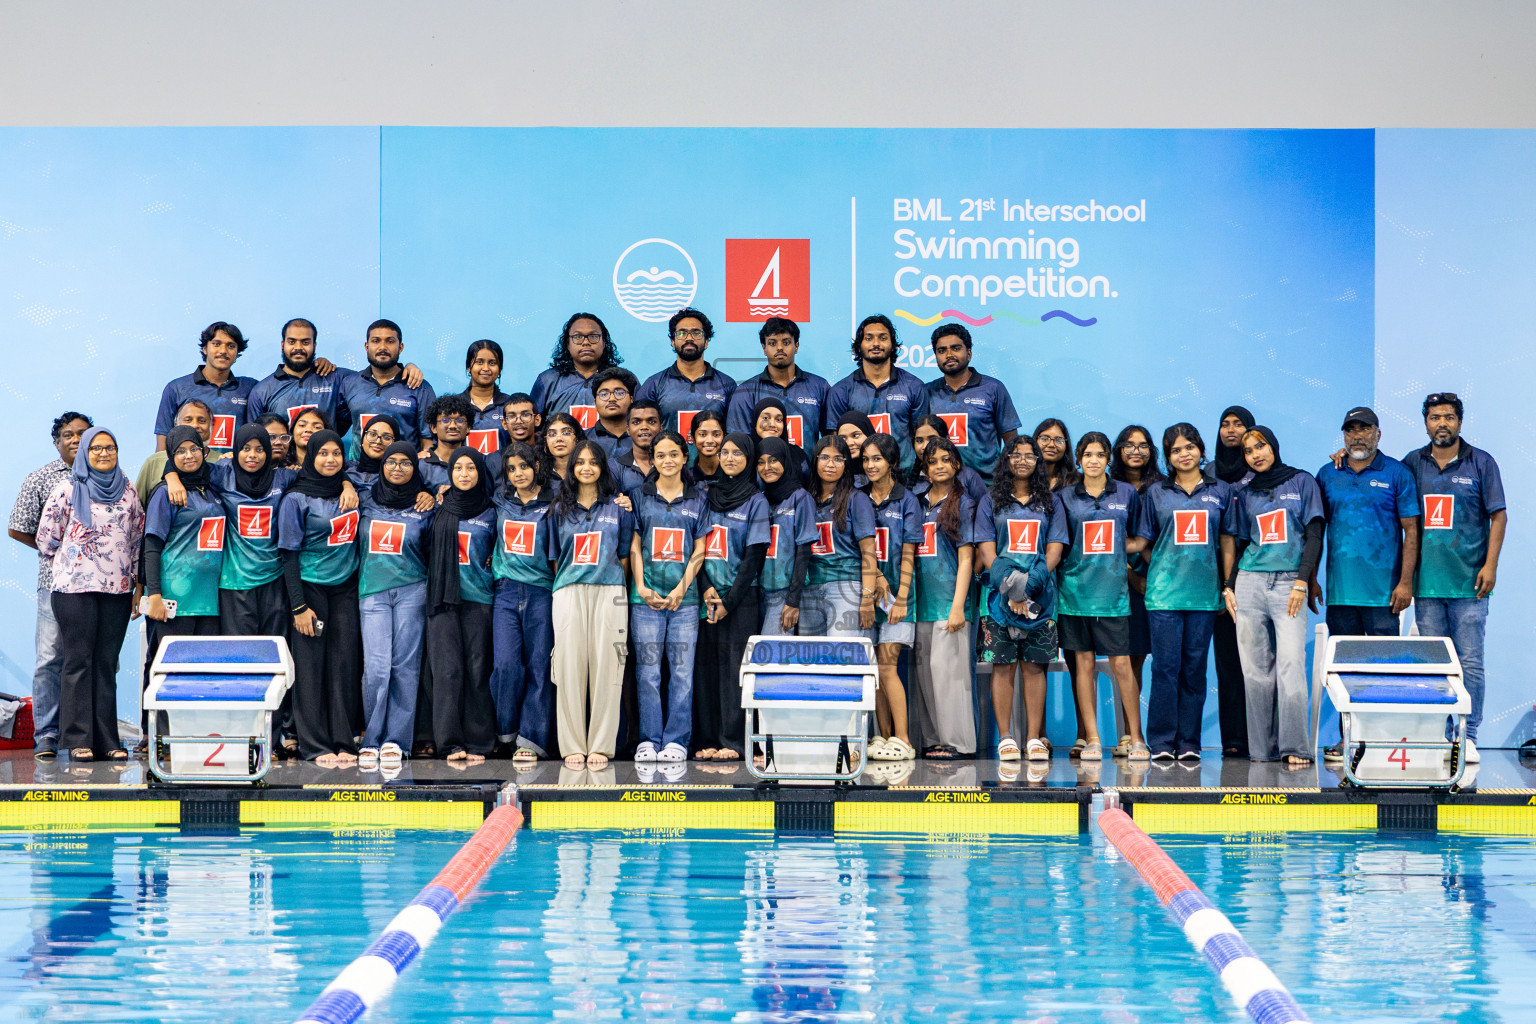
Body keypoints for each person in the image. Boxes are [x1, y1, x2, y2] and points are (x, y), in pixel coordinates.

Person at [1401, 392, 1506, 762]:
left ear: (1459, 421)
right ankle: (1438, 733)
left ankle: (1468, 736)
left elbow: (1499, 516)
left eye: (1448, 417)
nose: (1441, 423)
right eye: (1434, 417)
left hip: (1469, 585)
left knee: (1470, 662)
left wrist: (1490, 566)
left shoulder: (1481, 463)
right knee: (1435, 664)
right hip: (1426, 586)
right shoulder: (1412, 463)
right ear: (1425, 422)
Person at [1315, 406, 1420, 762]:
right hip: (1340, 594)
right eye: (1351, 430)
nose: (1357, 436)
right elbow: (1316, 530)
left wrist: (1405, 583)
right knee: (1345, 673)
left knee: (1381, 670)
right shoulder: (1328, 474)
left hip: (1383, 595)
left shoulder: (1398, 473)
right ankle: (1349, 740)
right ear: (1343, 436)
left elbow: (1411, 531)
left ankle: (1381, 740)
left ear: (1378, 433)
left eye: (1365, 429)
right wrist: (1311, 578)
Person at [36, 427, 144, 762]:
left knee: (105, 664)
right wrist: (74, 565)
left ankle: (108, 740)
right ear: (85, 452)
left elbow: (137, 537)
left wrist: (136, 582)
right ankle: (78, 739)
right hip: (74, 590)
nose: (103, 453)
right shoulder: (67, 489)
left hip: (116, 591)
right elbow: (46, 540)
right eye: (95, 448)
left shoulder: (127, 490)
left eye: (110, 447)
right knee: (78, 661)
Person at [1220, 426, 1325, 766]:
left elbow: (1314, 534)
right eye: (1249, 451)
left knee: (1291, 664)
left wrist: (1301, 581)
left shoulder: (1301, 481)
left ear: (1273, 446)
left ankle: (1295, 747)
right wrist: (1229, 585)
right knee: (1254, 671)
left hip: (1287, 585)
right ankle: (1262, 751)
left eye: (1261, 446)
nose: (1256, 454)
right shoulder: (1244, 491)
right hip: (1250, 582)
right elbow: (1242, 543)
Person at [1056, 431, 1152, 761]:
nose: (1094, 460)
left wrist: (1114, 550)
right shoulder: (1065, 498)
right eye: (1087, 455)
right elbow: (1059, 542)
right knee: (1082, 666)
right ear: (1079, 460)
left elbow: (1140, 538)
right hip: (1074, 594)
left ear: (1109, 458)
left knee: (1123, 666)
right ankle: (1093, 739)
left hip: (1114, 596)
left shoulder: (1126, 493)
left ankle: (1136, 738)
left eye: (1100, 454)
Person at [1141, 424, 1233, 761]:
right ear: (1168, 457)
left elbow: (1226, 540)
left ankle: (1190, 742)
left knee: (1194, 669)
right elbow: (1146, 542)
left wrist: (1225, 585)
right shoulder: (1156, 493)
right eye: (1176, 450)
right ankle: (1162, 743)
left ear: (1200, 450)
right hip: (1164, 597)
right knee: (1165, 668)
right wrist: (1164, 568)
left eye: (1190, 447)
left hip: (1204, 597)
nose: (1184, 454)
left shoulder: (1220, 491)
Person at [975, 435, 1068, 762]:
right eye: (1016, 455)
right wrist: (1012, 590)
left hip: (1041, 602)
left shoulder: (1052, 502)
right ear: (1006, 460)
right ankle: (1005, 738)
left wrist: (1027, 588)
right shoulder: (990, 501)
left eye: (1030, 456)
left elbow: (1054, 550)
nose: (1024, 460)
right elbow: (987, 550)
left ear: (1038, 462)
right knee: (1002, 668)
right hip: (1001, 603)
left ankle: (1033, 739)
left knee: (1034, 669)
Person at [8, 411, 92, 759]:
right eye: (68, 435)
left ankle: (86, 736)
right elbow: (17, 526)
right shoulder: (41, 479)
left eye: (82, 434)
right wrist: (56, 553)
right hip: (54, 584)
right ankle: (46, 734)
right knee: (50, 659)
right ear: (57, 442)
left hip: (98, 587)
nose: (76, 440)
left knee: (93, 659)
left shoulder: (111, 478)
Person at [277, 430, 362, 765]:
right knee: (311, 669)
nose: (330, 459)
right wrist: (298, 606)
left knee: (343, 666)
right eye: (322, 453)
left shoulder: (350, 490)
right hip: (310, 589)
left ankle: (344, 739)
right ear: (310, 456)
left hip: (345, 588)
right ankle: (314, 744)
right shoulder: (296, 499)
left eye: (336, 453)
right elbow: (288, 555)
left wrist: (347, 484)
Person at [547, 440, 634, 768]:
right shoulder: (558, 509)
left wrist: (607, 580)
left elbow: (624, 554)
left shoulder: (619, 508)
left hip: (610, 590)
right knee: (568, 667)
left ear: (602, 467)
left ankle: (600, 744)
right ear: (571, 468)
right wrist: (575, 580)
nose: (586, 467)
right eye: (579, 462)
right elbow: (555, 557)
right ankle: (571, 745)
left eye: (593, 462)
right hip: (568, 590)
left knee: (607, 667)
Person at [627, 430, 708, 762]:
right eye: (660, 455)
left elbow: (701, 548)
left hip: (685, 603)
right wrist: (642, 587)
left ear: (684, 457)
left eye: (673, 454)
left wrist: (680, 589)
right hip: (644, 601)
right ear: (653, 459)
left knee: (682, 672)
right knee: (647, 672)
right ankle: (649, 738)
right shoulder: (637, 496)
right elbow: (633, 545)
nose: (667, 460)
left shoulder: (698, 499)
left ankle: (676, 740)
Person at [357, 441, 434, 770]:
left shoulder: (425, 506)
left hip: (412, 590)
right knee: (376, 668)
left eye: (406, 463)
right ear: (382, 465)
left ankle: (396, 740)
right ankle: (372, 738)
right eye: (391, 462)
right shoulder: (363, 500)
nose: (398, 468)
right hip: (372, 591)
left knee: (405, 668)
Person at [694, 433, 770, 761]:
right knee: (707, 670)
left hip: (741, 599)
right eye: (725, 452)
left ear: (749, 458)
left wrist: (729, 601)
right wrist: (706, 588)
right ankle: (708, 738)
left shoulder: (757, 500)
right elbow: (692, 545)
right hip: (706, 595)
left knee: (736, 671)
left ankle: (734, 742)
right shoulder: (704, 495)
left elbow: (754, 557)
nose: (729, 458)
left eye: (737, 453)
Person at [142, 426, 225, 703]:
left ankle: (191, 734)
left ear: (205, 451)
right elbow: (151, 546)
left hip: (210, 601)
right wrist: (154, 595)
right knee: (165, 668)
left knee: (200, 672)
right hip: (174, 598)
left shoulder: (214, 487)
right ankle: (153, 733)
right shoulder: (165, 493)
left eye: (194, 449)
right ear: (171, 457)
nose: (189, 456)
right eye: (180, 452)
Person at [426, 446, 498, 764]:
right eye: (458, 469)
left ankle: (480, 741)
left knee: (477, 671)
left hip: (479, 599)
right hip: (442, 601)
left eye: (471, 468)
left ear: (480, 472)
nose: (464, 474)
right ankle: (450, 743)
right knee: (446, 673)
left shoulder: (492, 511)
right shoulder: (437, 506)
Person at [908, 437, 978, 760]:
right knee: (924, 676)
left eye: (945, 460)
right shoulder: (915, 502)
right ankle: (933, 741)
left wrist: (958, 606)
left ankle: (959, 743)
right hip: (919, 603)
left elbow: (967, 559)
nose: (938, 466)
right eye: (932, 461)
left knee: (949, 674)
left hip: (949, 603)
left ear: (957, 465)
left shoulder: (964, 502)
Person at [490, 441, 557, 763]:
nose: (518, 473)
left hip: (542, 592)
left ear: (537, 467)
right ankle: (506, 733)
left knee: (539, 668)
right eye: (511, 468)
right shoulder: (501, 501)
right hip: (505, 592)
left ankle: (530, 739)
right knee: (505, 665)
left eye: (524, 466)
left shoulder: (555, 503)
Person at [861, 434, 921, 761]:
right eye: (866, 459)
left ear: (891, 462)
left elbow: (910, 553)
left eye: (877, 459)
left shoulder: (906, 500)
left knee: (887, 667)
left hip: (899, 599)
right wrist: (877, 581)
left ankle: (903, 739)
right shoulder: (859, 498)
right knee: (872, 671)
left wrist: (901, 598)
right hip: (867, 597)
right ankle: (882, 738)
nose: (871, 465)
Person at [1110, 424, 1165, 755]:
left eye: (1143, 445)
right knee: (1124, 659)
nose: (1136, 451)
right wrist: (1131, 575)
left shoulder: (1162, 488)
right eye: (1129, 445)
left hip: (1158, 583)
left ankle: (1135, 732)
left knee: (1139, 659)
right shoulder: (1109, 489)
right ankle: (1128, 733)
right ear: (1117, 450)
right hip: (1119, 583)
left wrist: (1151, 575)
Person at [824, 314, 930, 472]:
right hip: (857, 480)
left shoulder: (914, 387)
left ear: (893, 345)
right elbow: (835, 442)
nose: (876, 343)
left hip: (903, 478)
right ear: (859, 346)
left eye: (883, 338)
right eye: (868, 338)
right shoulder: (841, 390)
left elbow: (922, 437)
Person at [1211, 404, 1256, 757]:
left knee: (1257, 662)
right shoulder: (1208, 474)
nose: (1230, 430)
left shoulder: (1264, 472)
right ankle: (1234, 741)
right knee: (1227, 663)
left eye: (1238, 424)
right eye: (1225, 424)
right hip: (1216, 579)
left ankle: (1262, 736)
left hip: (1258, 575)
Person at [802, 435, 878, 639]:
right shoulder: (805, 499)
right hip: (809, 589)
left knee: (842, 660)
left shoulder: (857, 499)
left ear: (846, 464)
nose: (830, 464)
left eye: (838, 459)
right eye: (825, 457)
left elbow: (869, 553)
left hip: (846, 587)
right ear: (815, 460)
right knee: (812, 663)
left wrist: (867, 598)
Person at [923, 322, 1020, 479]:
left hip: (987, 486)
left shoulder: (993, 389)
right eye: (942, 351)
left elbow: (1012, 441)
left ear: (969, 353)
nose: (949, 355)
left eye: (955, 348)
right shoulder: (927, 392)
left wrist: (1005, 478)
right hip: (940, 485)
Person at [725, 317, 829, 455]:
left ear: (796, 346)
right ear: (764, 348)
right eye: (772, 343)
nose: (780, 348)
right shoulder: (745, 392)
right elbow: (739, 445)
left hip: (808, 475)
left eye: (786, 342)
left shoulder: (820, 387)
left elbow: (831, 440)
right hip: (763, 474)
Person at [338, 319, 437, 456]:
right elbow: (335, 427)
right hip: (359, 473)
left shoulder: (420, 387)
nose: (382, 347)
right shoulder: (349, 383)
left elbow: (428, 442)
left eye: (390, 341)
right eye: (376, 341)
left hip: (401, 472)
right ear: (367, 346)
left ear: (400, 347)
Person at [154, 321, 257, 453]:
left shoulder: (249, 388)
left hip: (233, 472)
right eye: (217, 344)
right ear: (205, 348)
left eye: (231, 346)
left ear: (237, 352)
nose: (223, 351)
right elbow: (163, 446)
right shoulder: (177, 388)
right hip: (189, 471)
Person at [635, 308, 737, 438]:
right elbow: (641, 430)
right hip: (667, 457)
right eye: (682, 333)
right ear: (673, 341)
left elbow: (734, 433)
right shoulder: (653, 384)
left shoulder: (726, 384)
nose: (689, 338)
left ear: (706, 341)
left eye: (696, 333)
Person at [756, 437, 816, 636]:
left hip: (784, 592)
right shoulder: (760, 498)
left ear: (785, 461)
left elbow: (804, 551)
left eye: (773, 460)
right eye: (761, 462)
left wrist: (792, 600)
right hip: (760, 590)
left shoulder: (800, 497)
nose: (767, 467)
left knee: (771, 658)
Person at [531, 313, 624, 425]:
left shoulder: (622, 379)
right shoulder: (547, 380)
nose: (586, 342)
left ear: (604, 342)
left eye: (593, 336)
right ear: (568, 344)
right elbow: (533, 426)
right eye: (578, 337)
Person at [135, 398, 216, 506]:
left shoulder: (221, 462)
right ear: (176, 425)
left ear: (211, 426)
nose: (195, 425)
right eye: (188, 420)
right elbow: (137, 509)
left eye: (202, 421)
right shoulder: (154, 462)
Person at [911, 416, 988, 504]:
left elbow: (985, 511)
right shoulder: (911, 480)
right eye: (919, 441)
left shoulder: (968, 477)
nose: (925, 446)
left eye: (932, 439)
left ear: (947, 439)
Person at [461, 339, 511, 454]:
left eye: (492, 363)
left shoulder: (510, 405)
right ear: (469, 367)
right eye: (479, 362)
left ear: (500, 369)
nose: (486, 368)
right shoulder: (455, 406)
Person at [419, 396, 476, 492]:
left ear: (468, 428)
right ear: (433, 428)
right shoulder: (421, 466)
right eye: (445, 420)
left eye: (460, 420)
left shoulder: (477, 463)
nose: (453, 426)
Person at [748, 396, 811, 481]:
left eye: (778, 419)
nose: (772, 424)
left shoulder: (797, 455)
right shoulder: (746, 454)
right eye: (766, 418)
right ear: (755, 422)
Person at [588, 367, 638, 458]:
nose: (612, 399)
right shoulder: (583, 439)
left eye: (619, 393)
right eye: (604, 394)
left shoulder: (644, 436)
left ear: (631, 399)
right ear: (595, 403)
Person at [611, 400, 660, 492]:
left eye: (652, 422)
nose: (644, 427)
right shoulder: (615, 468)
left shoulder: (672, 465)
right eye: (636, 422)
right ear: (628, 430)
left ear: (661, 428)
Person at [346, 413, 402, 489]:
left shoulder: (400, 478)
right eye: (372, 434)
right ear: (362, 439)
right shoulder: (343, 470)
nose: (378, 441)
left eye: (386, 437)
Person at [687, 410, 729, 494]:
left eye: (716, 434)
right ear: (692, 438)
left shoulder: (731, 474)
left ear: (724, 437)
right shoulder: (686, 478)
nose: (709, 440)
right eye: (702, 434)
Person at [540, 411, 585, 486]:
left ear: (577, 438)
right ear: (545, 442)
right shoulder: (537, 473)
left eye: (566, 433)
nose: (559, 439)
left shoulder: (588, 470)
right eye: (552, 434)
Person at [1034, 418, 1079, 491]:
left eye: (1058, 440)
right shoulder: (1023, 480)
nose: (1051, 445)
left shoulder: (1077, 483)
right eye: (1045, 439)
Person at [833, 412, 874, 487]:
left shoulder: (885, 471)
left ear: (869, 435)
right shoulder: (832, 474)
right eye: (842, 438)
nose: (849, 443)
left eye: (855, 435)